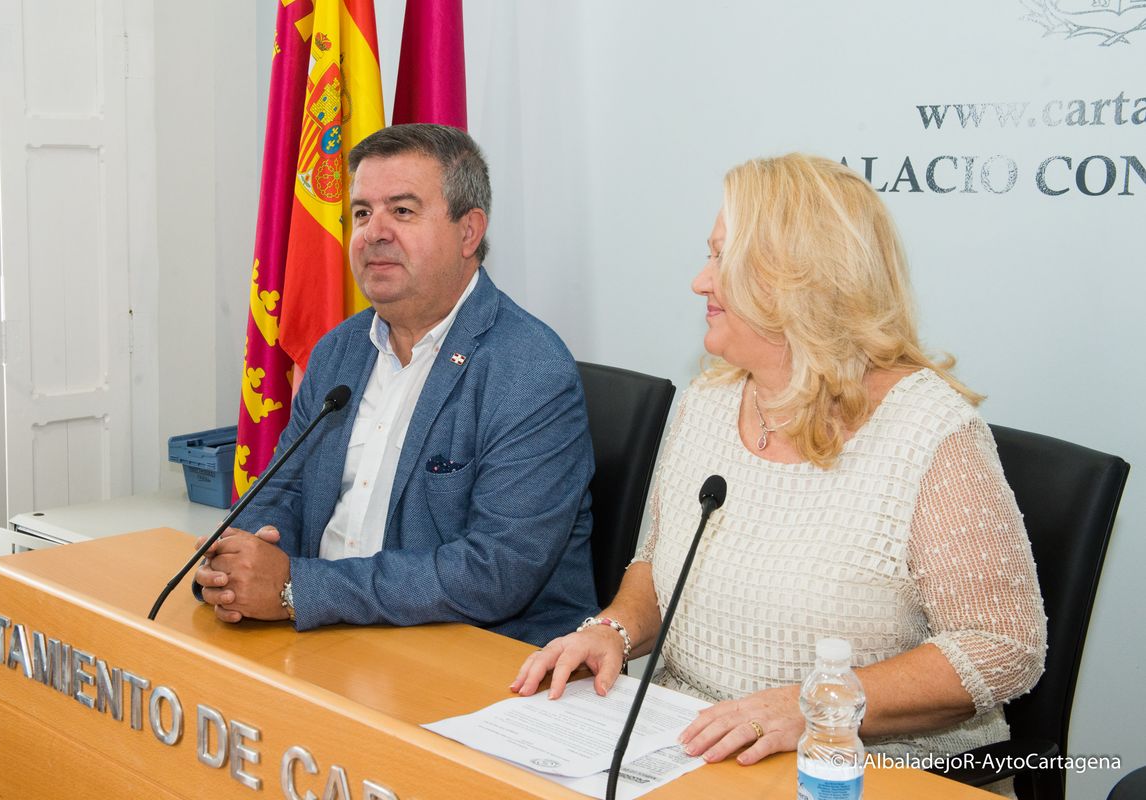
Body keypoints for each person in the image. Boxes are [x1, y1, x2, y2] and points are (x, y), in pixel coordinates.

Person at [511, 154, 1046, 790]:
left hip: (863, 770)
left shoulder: (930, 431)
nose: (699, 282)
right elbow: (658, 563)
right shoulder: (708, 402)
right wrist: (613, 631)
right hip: (691, 748)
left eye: (721, 258)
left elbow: (1002, 647)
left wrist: (811, 705)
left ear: (795, 279)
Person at [193, 124, 596, 646]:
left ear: (469, 232)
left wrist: (299, 588)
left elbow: (496, 571)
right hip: (330, 636)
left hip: (474, 657)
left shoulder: (530, 370)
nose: (373, 233)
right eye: (362, 213)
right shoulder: (338, 351)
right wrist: (235, 564)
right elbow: (283, 491)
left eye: (402, 211)